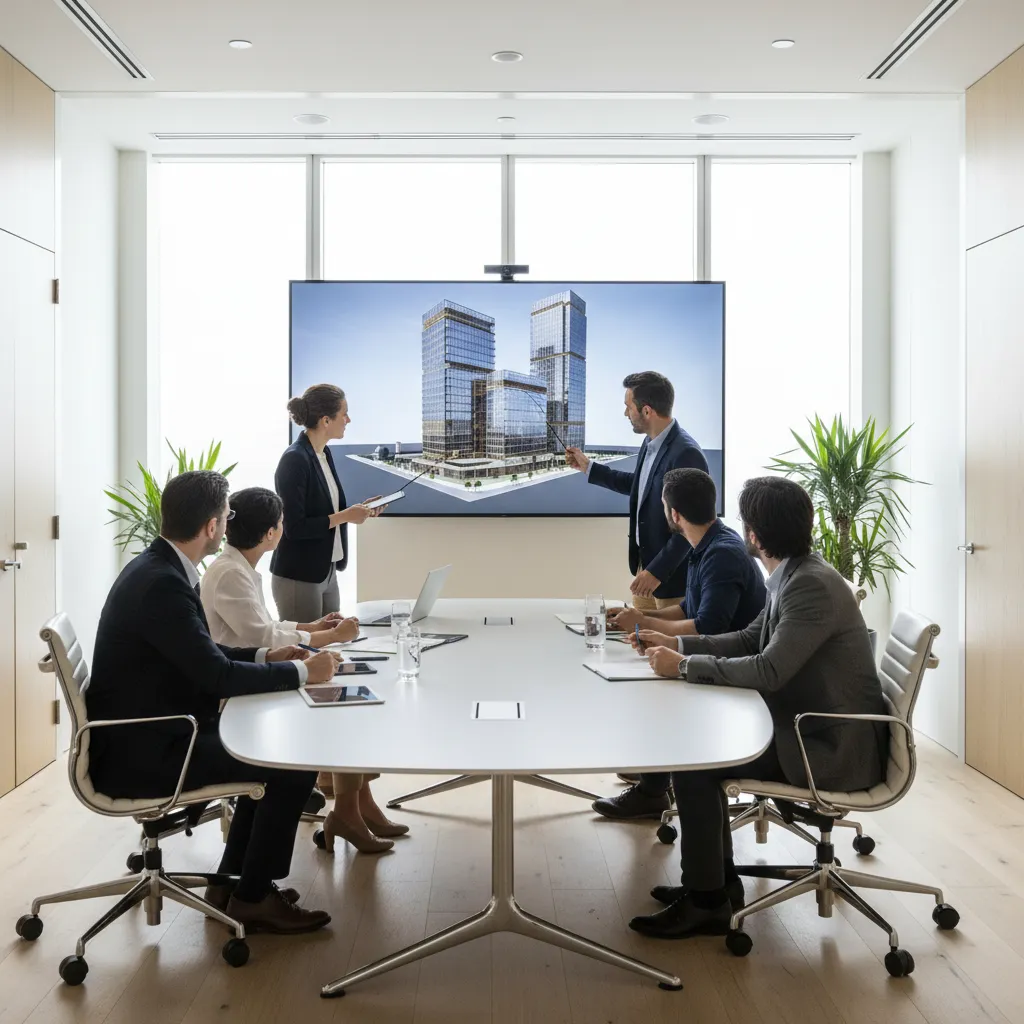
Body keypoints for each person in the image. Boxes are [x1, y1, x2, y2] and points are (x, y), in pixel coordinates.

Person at [627, 476, 888, 939]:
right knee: (699, 753)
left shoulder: (809, 586)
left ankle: (707, 900)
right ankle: (717, 885)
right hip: (811, 727)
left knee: (696, 762)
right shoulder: (796, 573)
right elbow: (751, 639)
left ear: (754, 534)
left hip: (829, 747)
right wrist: (676, 645)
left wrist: (683, 667)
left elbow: (769, 670)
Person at [87, 471, 341, 934]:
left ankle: (232, 885)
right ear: (211, 526)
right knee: (290, 760)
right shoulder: (163, 584)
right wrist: (306, 672)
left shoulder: (156, 568)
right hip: (148, 753)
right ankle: (254, 897)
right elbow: (215, 675)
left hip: (149, 734)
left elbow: (202, 654)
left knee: (268, 756)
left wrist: (267, 656)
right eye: (226, 515)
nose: (228, 522)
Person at [591, 468, 767, 821]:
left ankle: (652, 790)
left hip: (732, 664)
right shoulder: (706, 544)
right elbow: (688, 609)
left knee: (654, 690)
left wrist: (645, 623)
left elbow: (707, 627)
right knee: (647, 678)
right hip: (718, 652)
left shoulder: (721, 554)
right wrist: (638, 617)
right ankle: (653, 779)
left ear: (673, 514)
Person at [271, 383, 401, 854]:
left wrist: (356, 514)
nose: (350, 420)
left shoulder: (323, 455)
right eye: (345, 413)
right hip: (299, 575)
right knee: (315, 679)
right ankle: (323, 791)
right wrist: (347, 516)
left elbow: (327, 515)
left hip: (325, 571)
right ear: (325, 419)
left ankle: (357, 801)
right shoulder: (294, 460)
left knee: (337, 674)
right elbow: (295, 526)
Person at [565, 371, 708, 610]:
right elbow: (639, 485)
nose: (625, 413)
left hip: (671, 581)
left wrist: (657, 571)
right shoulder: (650, 442)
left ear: (647, 411)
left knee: (664, 635)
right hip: (646, 570)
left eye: (628, 406)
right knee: (637, 633)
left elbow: (690, 526)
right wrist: (588, 467)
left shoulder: (686, 453)